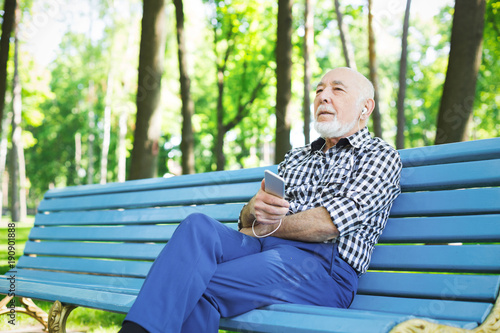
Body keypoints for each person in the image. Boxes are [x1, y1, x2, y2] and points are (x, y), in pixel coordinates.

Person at [119, 67, 402, 333]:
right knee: (198, 226)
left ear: (366, 108)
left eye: (337, 90)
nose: (323, 96)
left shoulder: (379, 156)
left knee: (194, 284)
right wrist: (252, 209)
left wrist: (271, 228)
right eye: (318, 90)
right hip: (262, 249)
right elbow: (248, 221)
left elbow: (328, 223)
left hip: (322, 271)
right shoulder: (297, 157)